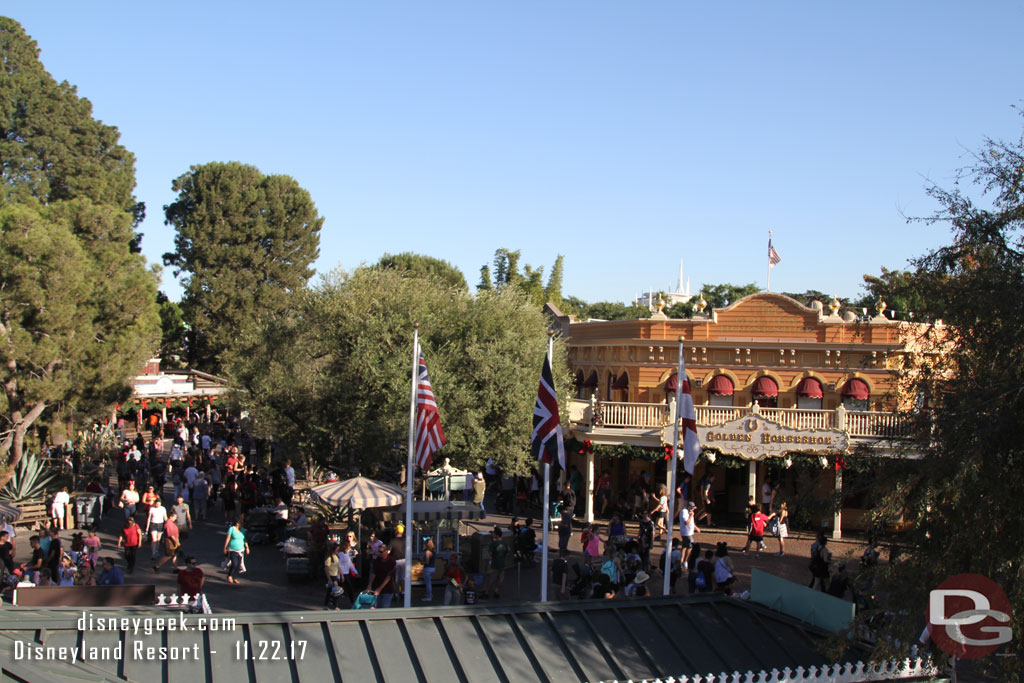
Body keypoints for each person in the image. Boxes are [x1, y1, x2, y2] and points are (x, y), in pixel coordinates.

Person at [480, 526, 509, 600]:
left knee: (491, 578)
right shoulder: (504, 543)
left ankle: (486, 592)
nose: (492, 534)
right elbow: (507, 552)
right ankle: (497, 592)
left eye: (493, 533)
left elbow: (489, 554)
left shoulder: (494, 544)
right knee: (500, 579)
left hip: (494, 563)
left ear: (496, 535)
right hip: (502, 563)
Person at [223, 516, 249, 585]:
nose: (242, 524)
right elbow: (228, 538)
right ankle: (229, 575)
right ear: (237, 523)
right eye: (241, 523)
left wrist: (247, 547)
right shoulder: (232, 529)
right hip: (232, 549)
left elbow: (244, 539)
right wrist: (225, 548)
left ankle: (235, 577)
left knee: (239, 564)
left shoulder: (243, 530)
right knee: (234, 563)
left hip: (241, 549)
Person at [678, 501, 700, 568]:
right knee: (690, 547)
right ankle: (685, 561)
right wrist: (691, 516)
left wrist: (696, 528)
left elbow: (691, 522)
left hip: (689, 532)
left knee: (684, 546)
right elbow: (686, 522)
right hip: (686, 533)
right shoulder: (684, 512)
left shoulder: (689, 512)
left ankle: (681, 561)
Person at [324, 543, 343, 609]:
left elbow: (337, 567)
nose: (338, 551)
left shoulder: (336, 557)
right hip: (331, 576)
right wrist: (329, 579)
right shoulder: (329, 558)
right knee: (336, 591)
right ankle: (335, 605)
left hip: (335, 575)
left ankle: (326, 605)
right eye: (337, 550)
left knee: (330, 592)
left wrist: (341, 574)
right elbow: (326, 569)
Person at [421, 537, 437, 602]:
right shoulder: (433, 552)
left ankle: (429, 596)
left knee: (428, 583)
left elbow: (427, 562)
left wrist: (422, 562)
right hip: (433, 567)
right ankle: (429, 594)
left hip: (428, 568)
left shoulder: (427, 552)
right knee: (429, 582)